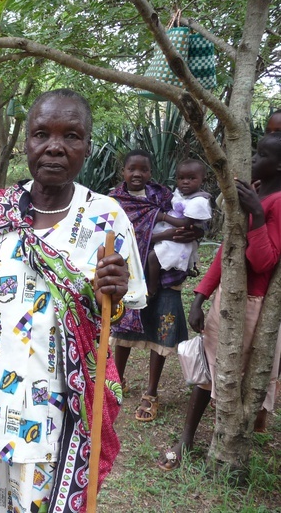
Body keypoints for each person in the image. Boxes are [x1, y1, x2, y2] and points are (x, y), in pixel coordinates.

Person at [0, 89, 146, 513]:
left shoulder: (106, 219)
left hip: (60, 419)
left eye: (71, 136)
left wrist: (111, 291)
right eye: (42, 134)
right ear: (26, 143)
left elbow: (118, 313)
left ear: (88, 147)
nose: (55, 146)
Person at [159, 132, 281, 470]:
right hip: (230, 297)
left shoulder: (275, 202)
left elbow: (264, 261)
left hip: (253, 304)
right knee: (208, 366)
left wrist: (255, 213)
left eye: (262, 156)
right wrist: (201, 295)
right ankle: (186, 438)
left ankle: (226, 444)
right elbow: (229, 250)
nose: (254, 160)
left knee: (231, 374)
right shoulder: (254, 193)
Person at [109, 150, 200, 422]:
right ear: (123, 172)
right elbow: (120, 234)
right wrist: (169, 232)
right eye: (131, 169)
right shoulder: (114, 200)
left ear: (151, 172)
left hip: (165, 275)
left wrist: (190, 231)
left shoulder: (162, 196)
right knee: (124, 332)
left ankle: (151, 392)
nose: (137, 174)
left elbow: (188, 222)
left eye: (143, 169)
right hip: (130, 274)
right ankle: (117, 381)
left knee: (160, 330)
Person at [146, 159, 212, 295]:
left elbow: (186, 224)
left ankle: (151, 288)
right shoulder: (180, 195)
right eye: (181, 178)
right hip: (170, 233)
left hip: (179, 238)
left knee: (153, 257)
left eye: (191, 178)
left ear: (203, 180)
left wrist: (163, 217)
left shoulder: (199, 201)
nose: (185, 182)